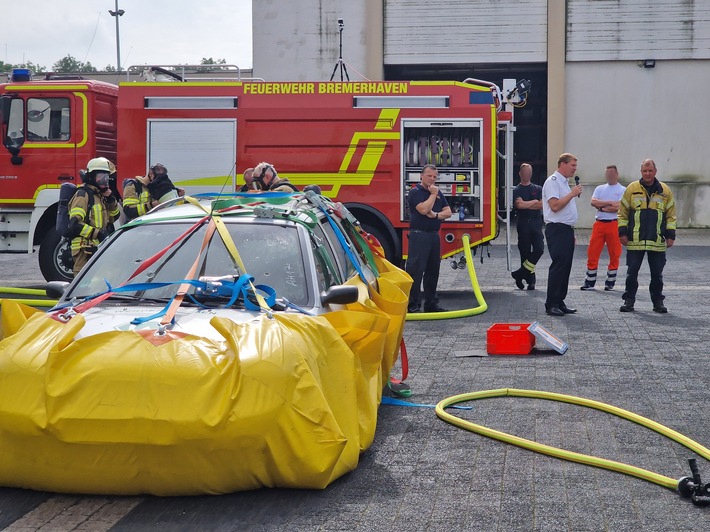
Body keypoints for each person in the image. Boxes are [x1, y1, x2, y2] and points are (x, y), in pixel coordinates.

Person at [617, 159, 676, 313]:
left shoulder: (665, 191)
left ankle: (658, 302)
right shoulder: (632, 188)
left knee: (657, 275)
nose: (648, 173)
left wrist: (671, 235)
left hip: (656, 240)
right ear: (641, 172)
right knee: (632, 273)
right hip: (635, 240)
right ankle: (629, 301)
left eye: (650, 171)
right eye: (645, 171)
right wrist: (622, 233)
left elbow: (671, 216)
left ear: (655, 171)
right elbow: (622, 213)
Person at [405, 164, 452, 313]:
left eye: (434, 176)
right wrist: (432, 195)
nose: (432, 179)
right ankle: (413, 305)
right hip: (419, 235)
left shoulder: (438, 192)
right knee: (416, 270)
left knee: (433, 270)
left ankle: (431, 304)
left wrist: (436, 215)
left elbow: (448, 212)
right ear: (421, 176)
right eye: (429, 176)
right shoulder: (415, 192)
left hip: (433, 235)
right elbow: (424, 209)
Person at [542, 153, 583, 316]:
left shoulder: (564, 183)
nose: (575, 169)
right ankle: (551, 303)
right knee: (559, 266)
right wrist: (572, 194)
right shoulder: (553, 182)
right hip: (557, 228)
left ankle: (560, 301)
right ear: (562, 164)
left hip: (566, 229)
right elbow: (555, 206)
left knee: (566, 266)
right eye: (572, 165)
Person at [67, 157, 121, 276]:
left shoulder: (100, 197)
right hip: (83, 250)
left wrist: (111, 200)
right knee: (83, 286)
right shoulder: (82, 195)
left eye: (106, 177)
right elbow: (74, 224)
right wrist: (98, 234)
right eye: (100, 177)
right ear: (91, 177)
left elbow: (114, 217)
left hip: (96, 248)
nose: (104, 181)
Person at [580, 165, 626, 291]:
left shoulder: (623, 189)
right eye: (608, 174)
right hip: (599, 223)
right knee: (592, 252)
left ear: (617, 174)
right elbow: (593, 202)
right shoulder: (600, 188)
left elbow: (620, 207)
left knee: (615, 253)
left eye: (612, 173)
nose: (609, 176)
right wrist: (610, 203)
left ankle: (610, 282)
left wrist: (602, 206)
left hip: (614, 224)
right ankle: (590, 281)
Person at [511, 163, 544, 290]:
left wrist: (527, 203)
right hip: (523, 223)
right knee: (525, 253)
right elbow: (519, 206)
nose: (527, 174)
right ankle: (531, 281)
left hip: (536, 223)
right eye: (524, 172)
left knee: (539, 250)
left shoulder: (538, 189)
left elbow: (541, 205)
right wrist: (534, 202)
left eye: (529, 172)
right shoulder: (517, 190)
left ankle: (520, 274)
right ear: (520, 173)